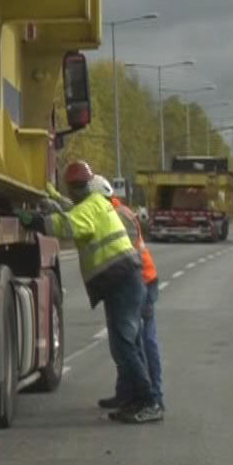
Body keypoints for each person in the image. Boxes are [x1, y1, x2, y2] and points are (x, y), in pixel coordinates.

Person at [21, 160, 161, 424]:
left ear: (75, 187)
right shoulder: (97, 202)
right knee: (126, 345)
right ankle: (134, 398)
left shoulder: (88, 210)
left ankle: (149, 400)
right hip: (123, 281)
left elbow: (69, 225)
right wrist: (51, 196)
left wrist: (35, 221)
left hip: (122, 281)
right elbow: (73, 210)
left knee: (125, 346)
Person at [96, 175, 163, 414]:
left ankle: (154, 396)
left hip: (141, 280)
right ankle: (126, 394)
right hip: (132, 281)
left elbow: (126, 255)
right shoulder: (111, 212)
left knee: (142, 341)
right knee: (127, 343)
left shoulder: (119, 215)